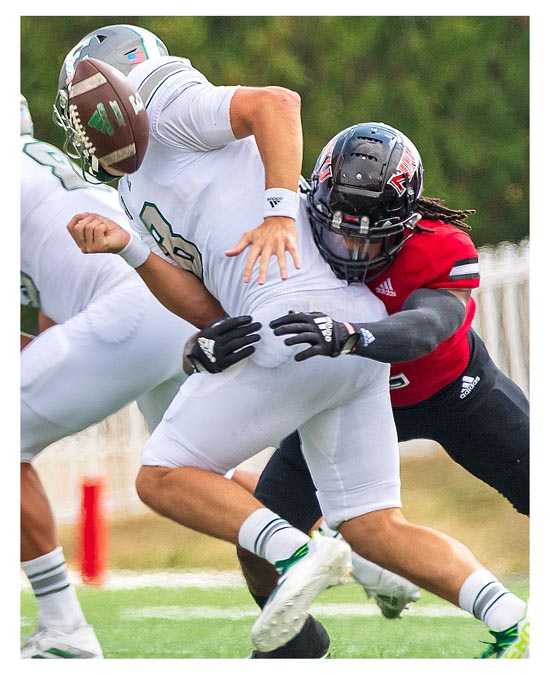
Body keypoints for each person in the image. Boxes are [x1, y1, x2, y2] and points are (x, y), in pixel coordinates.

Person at [56, 24, 528, 658]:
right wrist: (134, 251)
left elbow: (276, 103)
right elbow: (208, 305)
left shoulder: (167, 100)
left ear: (112, 83)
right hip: (342, 345)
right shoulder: (132, 188)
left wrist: (280, 209)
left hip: (304, 330)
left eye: (86, 113)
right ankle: (513, 622)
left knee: (162, 478)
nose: (85, 129)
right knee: (373, 525)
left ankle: (300, 551)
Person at [234, 122, 530, 658]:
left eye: (373, 231)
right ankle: (296, 646)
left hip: (452, 391)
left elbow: (429, 327)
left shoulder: (440, 246)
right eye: (340, 227)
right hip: (344, 401)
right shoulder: (289, 231)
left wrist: (352, 335)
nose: (352, 244)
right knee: (259, 535)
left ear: (407, 221)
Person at [20, 92, 259, 659]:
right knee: (196, 472)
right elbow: (58, 323)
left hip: (128, 305)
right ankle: (351, 536)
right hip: (159, 298)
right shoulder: (37, 172)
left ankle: (62, 629)